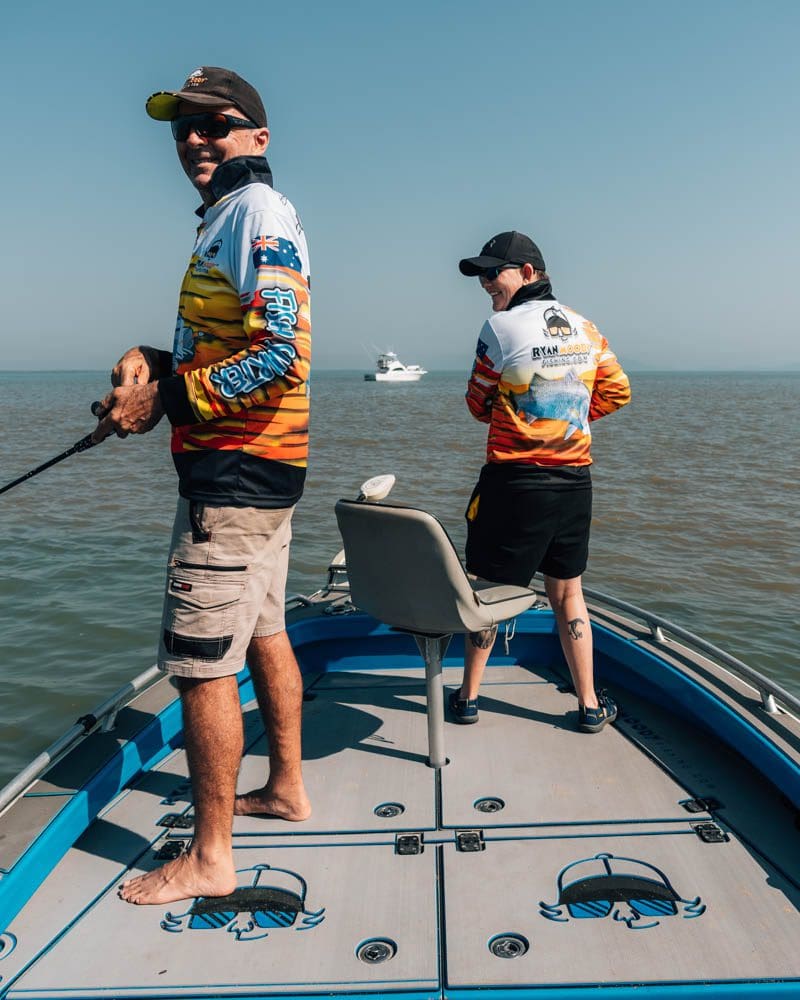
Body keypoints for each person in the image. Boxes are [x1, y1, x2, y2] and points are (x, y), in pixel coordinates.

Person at [93, 66, 312, 905]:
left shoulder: (257, 213)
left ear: (257, 136)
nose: (195, 139)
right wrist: (154, 358)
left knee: (199, 670)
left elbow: (279, 353)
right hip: (256, 472)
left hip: (235, 478)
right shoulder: (229, 217)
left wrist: (166, 398)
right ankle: (286, 788)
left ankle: (211, 856)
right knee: (264, 633)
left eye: (215, 124)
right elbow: (227, 344)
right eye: (183, 127)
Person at [450, 231, 631, 732]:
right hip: (574, 482)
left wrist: (526, 418)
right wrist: (567, 417)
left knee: (488, 591)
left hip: (514, 484)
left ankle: (467, 698)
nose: (486, 283)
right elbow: (617, 391)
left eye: (494, 273)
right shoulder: (586, 328)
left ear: (529, 273)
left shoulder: (500, 326)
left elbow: (475, 403)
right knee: (569, 593)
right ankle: (590, 705)